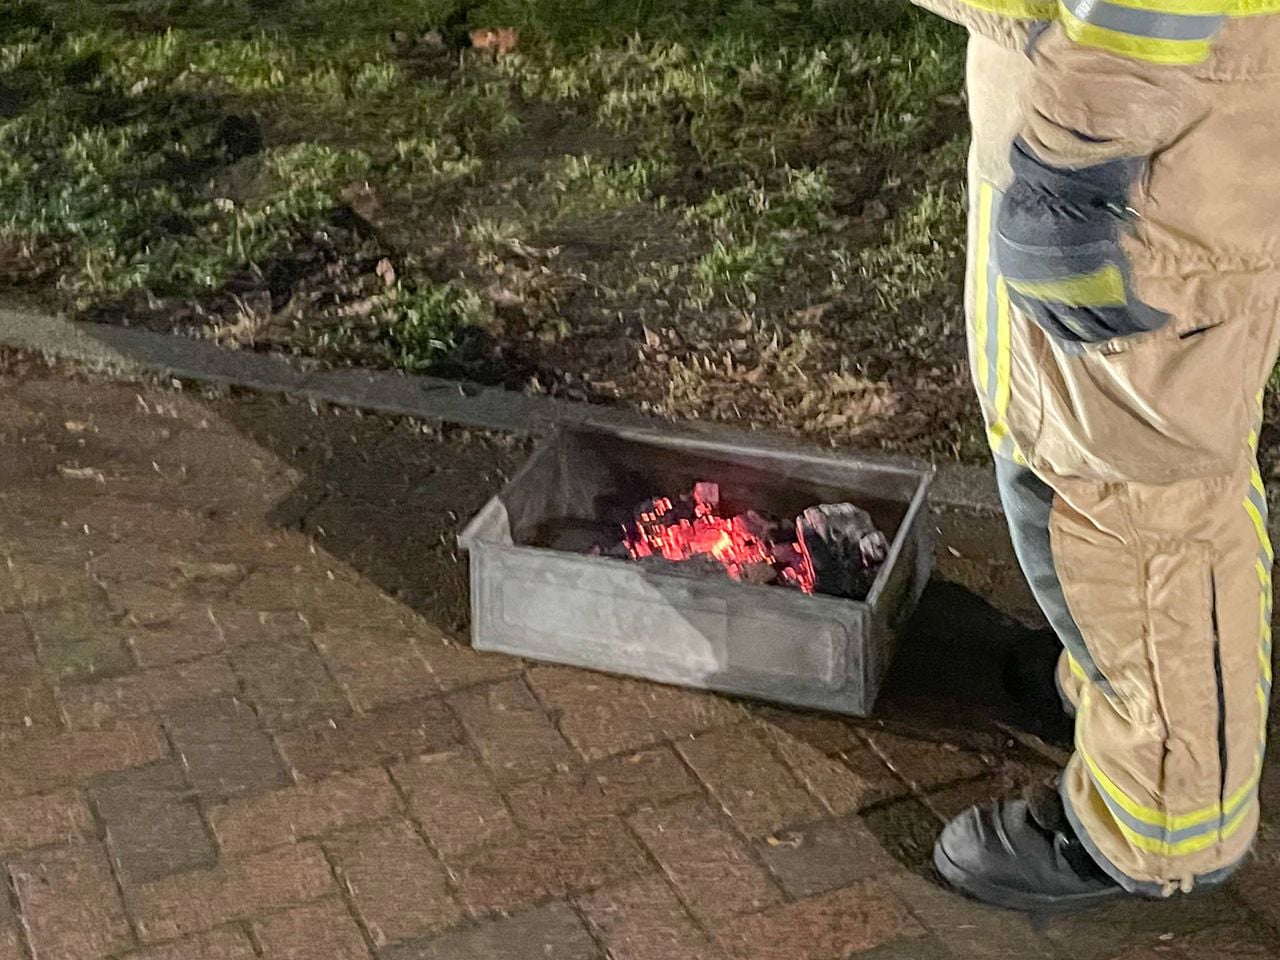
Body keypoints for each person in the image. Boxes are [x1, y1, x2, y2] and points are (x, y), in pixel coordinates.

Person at [906, 0, 1280, 910]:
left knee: (1139, 497)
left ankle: (1157, 824)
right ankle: (1114, 686)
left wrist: (1077, 154)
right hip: (1094, 85)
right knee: (1067, 451)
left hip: (1146, 119)